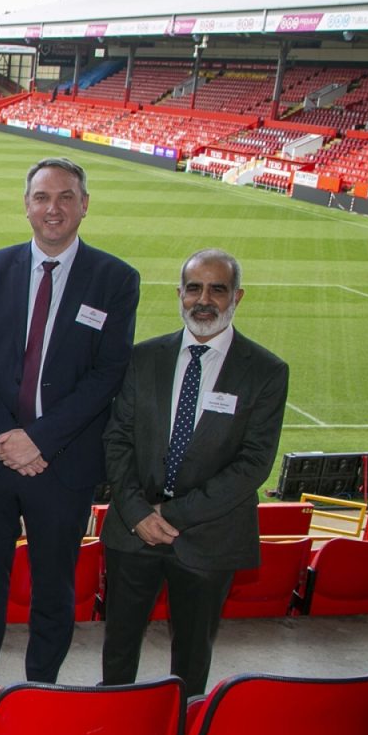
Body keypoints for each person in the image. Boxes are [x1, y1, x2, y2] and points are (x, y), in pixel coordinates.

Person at [0, 157, 140, 718]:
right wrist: (7, 434)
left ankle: (38, 689)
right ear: (26, 204)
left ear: (83, 204)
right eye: (42, 197)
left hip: (64, 463)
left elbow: (108, 374)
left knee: (54, 585)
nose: (53, 208)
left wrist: (41, 440)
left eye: (66, 197)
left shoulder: (115, 279)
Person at [100, 249, 288, 696]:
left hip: (209, 536)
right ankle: (109, 722)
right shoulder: (144, 358)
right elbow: (117, 439)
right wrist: (136, 511)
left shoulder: (265, 371)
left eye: (217, 289)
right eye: (194, 288)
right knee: (119, 645)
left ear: (236, 296)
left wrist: (173, 516)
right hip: (133, 529)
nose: (204, 299)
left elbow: (254, 464)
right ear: (180, 294)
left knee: (192, 655)